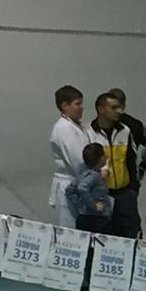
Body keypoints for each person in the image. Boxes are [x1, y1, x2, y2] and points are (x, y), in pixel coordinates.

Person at [89, 92, 142, 238]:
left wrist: (133, 188)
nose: (119, 111)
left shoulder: (125, 130)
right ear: (100, 109)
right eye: (113, 107)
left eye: (119, 107)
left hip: (125, 193)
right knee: (104, 237)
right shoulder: (88, 132)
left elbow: (132, 160)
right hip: (101, 195)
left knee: (131, 235)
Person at [49, 84, 90, 228]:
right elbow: (78, 161)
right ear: (65, 106)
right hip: (69, 186)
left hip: (80, 185)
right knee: (69, 232)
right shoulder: (63, 128)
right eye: (77, 104)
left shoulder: (79, 125)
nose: (82, 107)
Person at [65, 142, 112, 233]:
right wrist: (93, 205)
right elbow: (82, 188)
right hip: (97, 220)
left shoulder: (83, 174)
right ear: (101, 158)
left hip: (86, 217)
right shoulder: (94, 176)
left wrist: (80, 206)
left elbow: (69, 190)